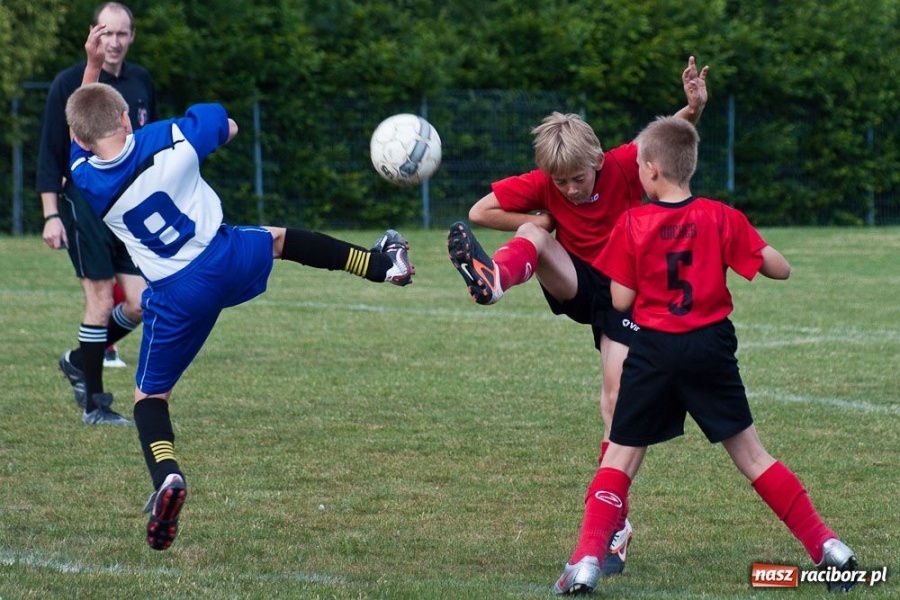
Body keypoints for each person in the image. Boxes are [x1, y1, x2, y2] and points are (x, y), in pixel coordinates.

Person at [65, 24, 416, 551]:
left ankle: (167, 477)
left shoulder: (85, 178)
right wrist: (198, 130)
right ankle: (382, 266)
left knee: (150, 395)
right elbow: (224, 125)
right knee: (278, 239)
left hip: (175, 295)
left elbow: (78, 133)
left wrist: (89, 67)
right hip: (222, 258)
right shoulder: (172, 137)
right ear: (124, 117)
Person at [551, 116, 857, 595]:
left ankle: (587, 561)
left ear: (650, 170)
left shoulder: (632, 222)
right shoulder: (720, 216)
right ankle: (829, 549)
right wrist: (751, 251)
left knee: (620, 458)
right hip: (710, 349)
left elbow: (620, 302)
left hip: (652, 351)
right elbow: (781, 268)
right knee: (754, 457)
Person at [447, 57, 709, 575]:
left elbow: (667, 141)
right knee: (534, 236)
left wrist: (695, 106)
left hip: (627, 294)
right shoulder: (547, 184)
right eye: (559, 182)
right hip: (579, 282)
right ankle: (495, 280)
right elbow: (479, 212)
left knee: (615, 401)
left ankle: (617, 527)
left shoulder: (620, 164)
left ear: (597, 161)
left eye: (577, 179)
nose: (569, 189)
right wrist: (539, 215)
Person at [38, 2, 156, 425]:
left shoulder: (141, 82)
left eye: (122, 33)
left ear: (132, 37)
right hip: (84, 205)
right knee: (101, 299)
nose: (114, 41)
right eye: (106, 33)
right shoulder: (70, 82)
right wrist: (51, 214)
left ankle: (77, 360)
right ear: (93, 35)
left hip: (125, 207)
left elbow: (145, 148)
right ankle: (94, 406)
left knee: (145, 302)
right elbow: (52, 153)